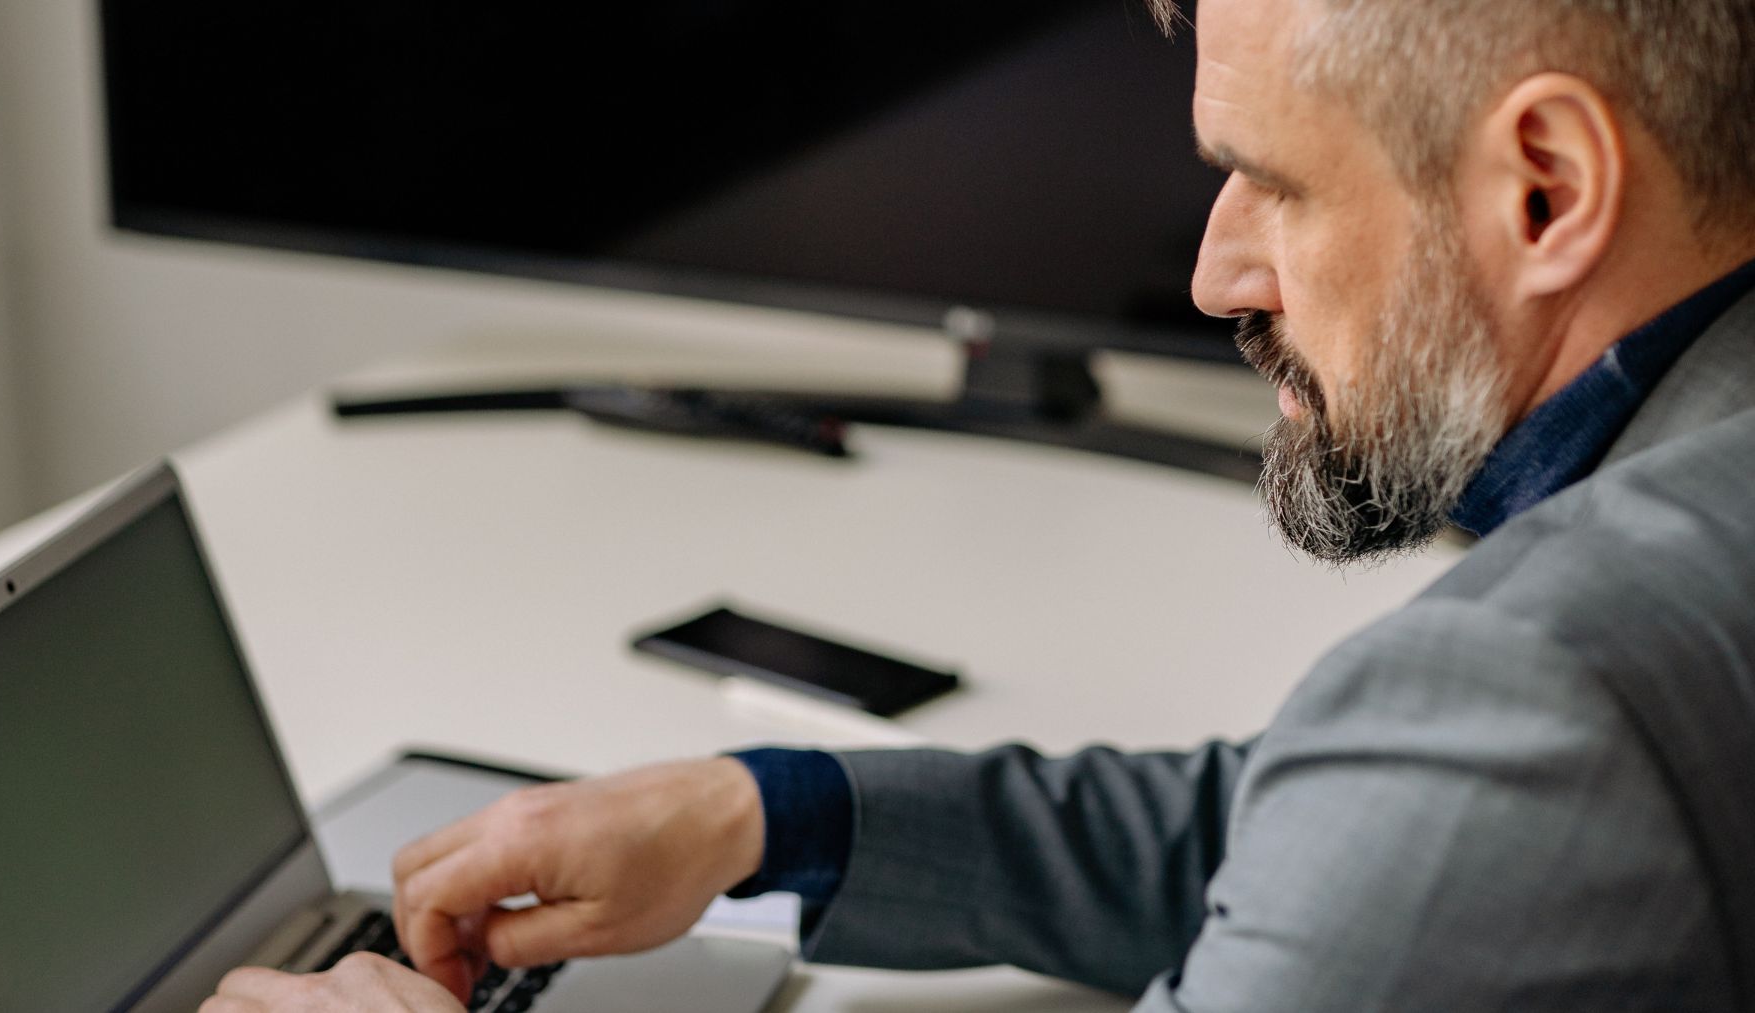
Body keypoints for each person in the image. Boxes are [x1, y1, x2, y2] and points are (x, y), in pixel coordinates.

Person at [203, 0, 1755, 1009]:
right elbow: (1328, 827)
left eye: (1272, 181)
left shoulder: (1552, 688)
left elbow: (1437, 796)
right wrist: (772, 813)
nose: (1218, 272)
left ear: (1544, 187)